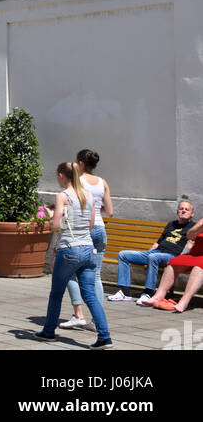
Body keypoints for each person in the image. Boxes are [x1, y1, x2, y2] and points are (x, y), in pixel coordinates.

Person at [35, 161, 112, 348]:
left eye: (57, 176)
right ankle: (104, 336)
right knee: (90, 295)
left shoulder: (62, 196)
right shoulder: (89, 195)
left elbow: (55, 226)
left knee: (56, 293)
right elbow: (91, 224)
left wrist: (52, 214)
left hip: (69, 249)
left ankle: (49, 331)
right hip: (88, 249)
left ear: (62, 175)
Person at [60, 147, 113, 329]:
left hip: (82, 231)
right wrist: (97, 211)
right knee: (96, 275)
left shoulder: (78, 181)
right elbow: (110, 211)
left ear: (80, 164)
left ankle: (78, 314)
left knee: (68, 273)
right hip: (100, 229)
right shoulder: (102, 182)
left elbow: (72, 204)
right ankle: (96, 321)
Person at [107, 197, 195, 303]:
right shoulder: (171, 224)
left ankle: (148, 292)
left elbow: (190, 246)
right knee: (123, 255)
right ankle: (125, 292)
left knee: (153, 257)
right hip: (156, 253)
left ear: (192, 214)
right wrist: (148, 253)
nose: (183, 210)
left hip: (172, 256)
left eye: (186, 209)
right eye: (181, 208)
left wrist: (180, 260)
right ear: (177, 212)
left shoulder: (193, 227)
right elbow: (158, 242)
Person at [143, 210, 203, 312]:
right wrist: (199, 227)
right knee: (174, 262)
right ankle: (158, 296)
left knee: (199, 267)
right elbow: (189, 236)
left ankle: (184, 302)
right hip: (194, 254)